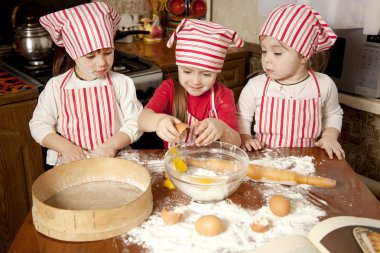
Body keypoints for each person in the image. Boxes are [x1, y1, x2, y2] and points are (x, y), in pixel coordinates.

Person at [29, 2, 143, 166]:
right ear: (73, 53)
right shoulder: (57, 87)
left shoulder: (122, 83)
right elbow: (39, 125)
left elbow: (135, 120)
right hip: (71, 163)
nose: (102, 63)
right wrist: (65, 147)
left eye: (108, 53)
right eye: (91, 56)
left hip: (116, 160)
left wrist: (112, 145)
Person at [236, 4, 345, 160]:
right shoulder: (256, 85)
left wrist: (329, 136)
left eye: (277, 53)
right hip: (265, 159)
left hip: (307, 160)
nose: (267, 59)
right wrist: (245, 137)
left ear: (303, 56)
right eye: (264, 51)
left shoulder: (323, 85)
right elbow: (241, 116)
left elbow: (333, 113)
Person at [138, 19, 244, 148]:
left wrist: (222, 129)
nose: (195, 82)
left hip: (210, 165)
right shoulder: (169, 89)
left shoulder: (223, 96)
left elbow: (236, 142)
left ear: (217, 72)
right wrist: (158, 121)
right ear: (178, 67)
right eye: (187, 71)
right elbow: (142, 119)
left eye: (206, 74)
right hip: (176, 165)